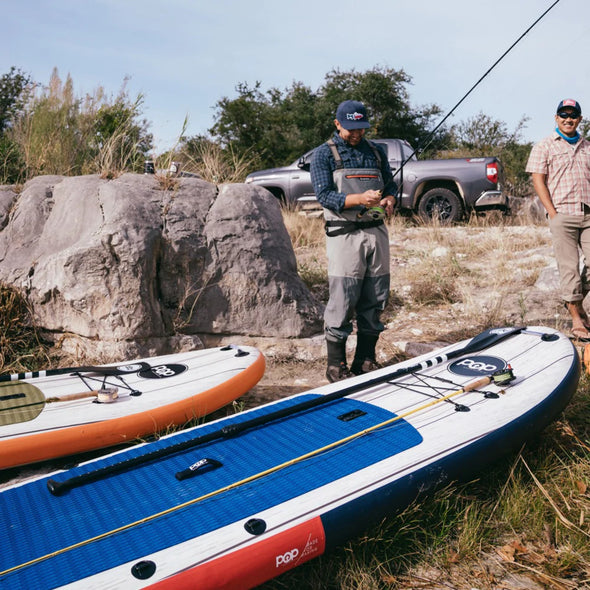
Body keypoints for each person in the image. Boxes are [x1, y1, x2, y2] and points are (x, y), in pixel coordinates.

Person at [310, 100, 398, 382]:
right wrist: (359, 199)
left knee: (376, 295)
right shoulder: (323, 155)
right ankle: (336, 367)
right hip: (343, 233)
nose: (357, 134)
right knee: (343, 298)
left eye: (361, 128)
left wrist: (389, 199)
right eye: (351, 129)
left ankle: (365, 361)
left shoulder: (376, 151)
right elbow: (325, 196)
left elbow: (391, 184)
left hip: (376, 232)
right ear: (337, 124)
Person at [526, 98, 590, 340]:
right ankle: (576, 317)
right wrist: (552, 212)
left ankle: (575, 303)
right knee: (569, 268)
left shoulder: (587, 147)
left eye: (573, 115)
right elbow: (538, 180)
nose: (568, 119)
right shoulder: (544, 146)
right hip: (562, 213)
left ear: (580, 119)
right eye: (563, 115)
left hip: (587, 213)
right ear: (556, 118)